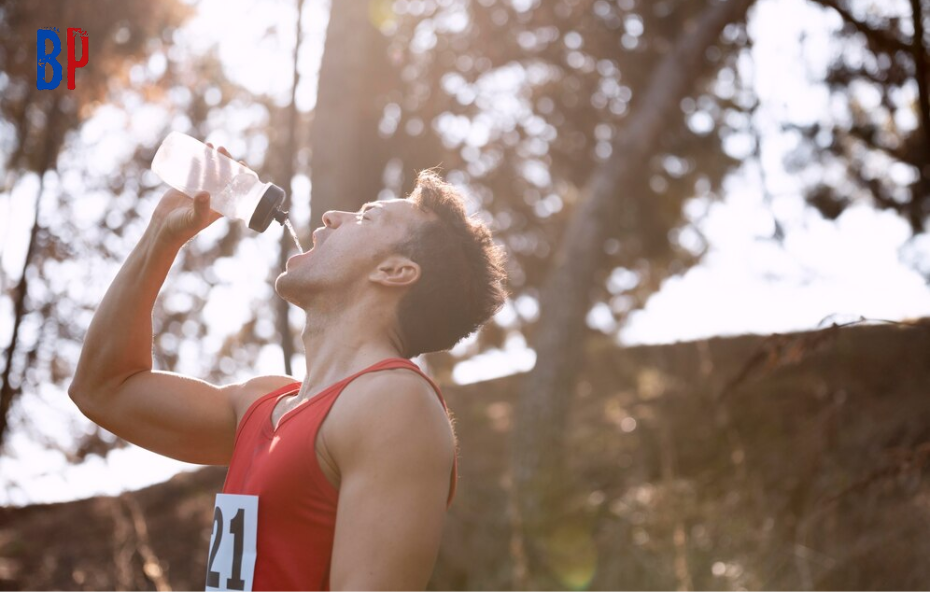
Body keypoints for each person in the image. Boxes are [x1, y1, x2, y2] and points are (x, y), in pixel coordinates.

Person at [68, 143, 508, 591]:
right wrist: (162, 234)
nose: (333, 216)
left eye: (366, 216)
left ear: (395, 271)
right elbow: (104, 388)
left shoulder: (395, 404)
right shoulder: (263, 405)